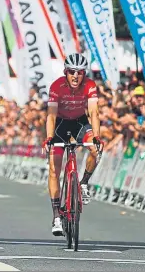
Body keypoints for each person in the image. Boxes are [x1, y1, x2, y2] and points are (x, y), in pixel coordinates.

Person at [42, 53, 103, 236]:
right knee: (54, 167)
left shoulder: (90, 85)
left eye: (80, 72)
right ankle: (56, 216)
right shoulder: (57, 86)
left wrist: (97, 137)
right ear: (65, 72)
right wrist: (49, 137)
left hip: (79, 122)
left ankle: (83, 182)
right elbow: (51, 115)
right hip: (60, 123)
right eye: (71, 72)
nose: (75, 76)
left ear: (84, 73)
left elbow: (94, 112)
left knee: (95, 150)